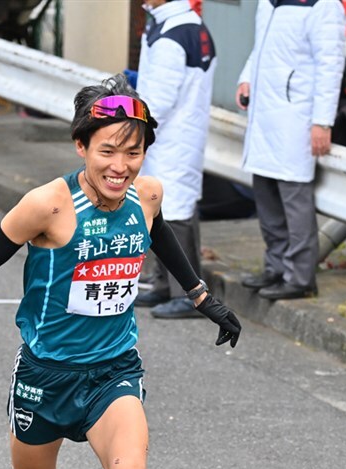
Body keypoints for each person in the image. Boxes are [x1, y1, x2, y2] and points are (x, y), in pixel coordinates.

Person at [0, 73, 242, 469]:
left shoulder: (147, 194)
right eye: (108, 151)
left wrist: (200, 295)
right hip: (46, 374)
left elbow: (157, 232)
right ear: (81, 146)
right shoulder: (48, 205)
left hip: (113, 370)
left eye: (133, 153)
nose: (121, 166)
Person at [235, 0, 345, 300]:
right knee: (266, 191)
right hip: (265, 113)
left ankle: (300, 277)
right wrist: (246, 78)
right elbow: (261, 48)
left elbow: (330, 65)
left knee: (294, 197)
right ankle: (276, 267)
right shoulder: (268, 3)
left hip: (297, 115)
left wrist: (322, 121)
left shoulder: (322, 6)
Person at [133, 0, 217, 318]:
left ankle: (189, 294)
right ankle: (164, 285)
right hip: (178, 133)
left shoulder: (174, 32)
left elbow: (159, 100)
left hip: (171, 135)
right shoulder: (182, 24)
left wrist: (135, 131)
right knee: (165, 205)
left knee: (175, 208)